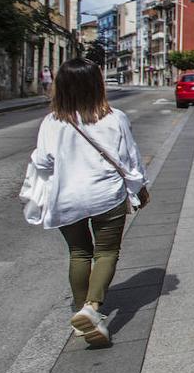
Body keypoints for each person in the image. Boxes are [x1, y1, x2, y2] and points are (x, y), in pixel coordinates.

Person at [24, 59, 149, 345]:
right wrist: (140, 188)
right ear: (98, 84)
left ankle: (82, 318)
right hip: (107, 196)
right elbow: (130, 159)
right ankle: (92, 309)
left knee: (79, 253)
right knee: (105, 253)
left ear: (61, 87)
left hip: (67, 197)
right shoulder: (115, 118)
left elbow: (42, 163)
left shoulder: (52, 122)